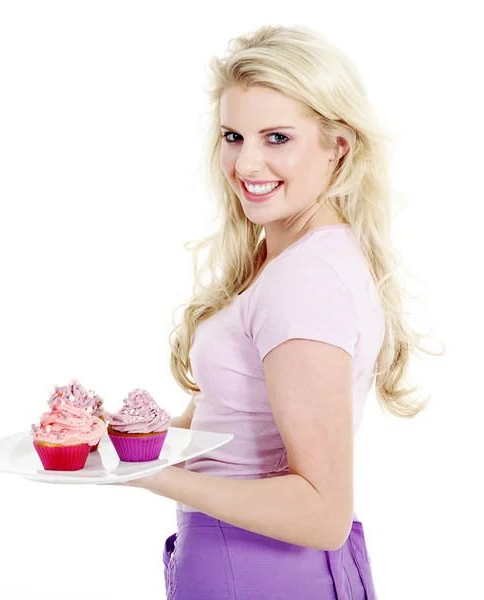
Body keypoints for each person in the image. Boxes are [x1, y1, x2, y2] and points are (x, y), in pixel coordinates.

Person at [112, 24, 444, 599]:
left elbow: (321, 512)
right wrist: (110, 441)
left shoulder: (306, 279)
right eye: (234, 136)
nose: (247, 163)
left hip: (260, 574)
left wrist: (155, 476)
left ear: (337, 144)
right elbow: (228, 425)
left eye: (277, 138)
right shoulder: (292, 260)